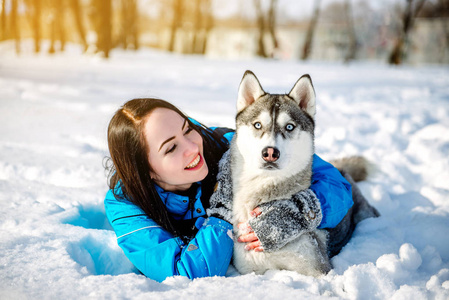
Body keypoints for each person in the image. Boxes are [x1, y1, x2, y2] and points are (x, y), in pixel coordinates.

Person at [104, 98, 353, 282]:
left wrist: (298, 212)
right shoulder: (126, 204)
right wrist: (224, 210)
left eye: (187, 129)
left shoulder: (230, 145)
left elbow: (336, 183)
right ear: (143, 169)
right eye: (171, 148)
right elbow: (185, 274)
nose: (192, 147)